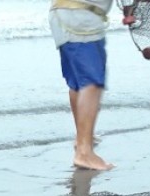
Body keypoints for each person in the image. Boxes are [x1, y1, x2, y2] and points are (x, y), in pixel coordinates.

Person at [49, 0, 114, 170]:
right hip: (81, 19)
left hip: (64, 14)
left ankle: (82, 139)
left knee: (78, 83)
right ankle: (84, 152)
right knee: (91, 83)